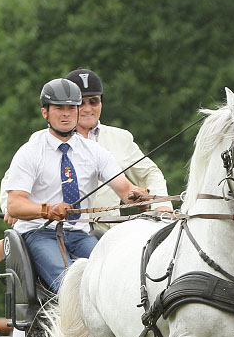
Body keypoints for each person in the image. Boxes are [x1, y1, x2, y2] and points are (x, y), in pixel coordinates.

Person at [3, 78, 149, 292]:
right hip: (40, 232)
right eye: (59, 108)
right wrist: (48, 210)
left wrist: (138, 197)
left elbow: (125, 189)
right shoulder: (30, 152)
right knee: (70, 282)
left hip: (79, 233)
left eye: (71, 108)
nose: (65, 113)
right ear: (45, 113)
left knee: (114, 275)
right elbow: (14, 205)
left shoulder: (95, 152)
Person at [64, 67, 168, 230]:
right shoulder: (48, 139)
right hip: (65, 232)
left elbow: (150, 173)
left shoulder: (121, 138)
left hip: (109, 235)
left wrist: (161, 206)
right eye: (80, 102)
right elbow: (14, 180)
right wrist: (10, 207)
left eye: (93, 101)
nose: (88, 108)